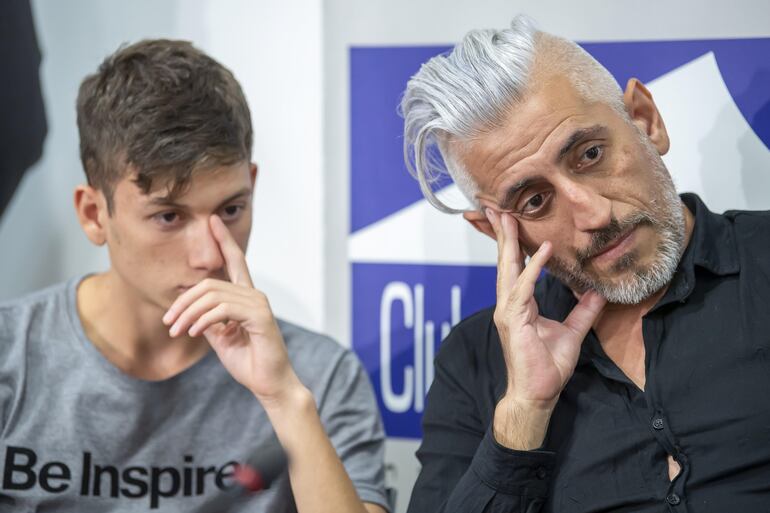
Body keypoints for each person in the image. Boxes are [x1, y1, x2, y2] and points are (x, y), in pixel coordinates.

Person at [0, 39, 389, 513]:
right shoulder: (11, 358)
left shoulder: (317, 377)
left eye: (231, 209)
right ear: (93, 214)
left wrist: (284, 399)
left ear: (253, 184)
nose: (209, 255)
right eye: (168, 217)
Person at [400, 15, 770, 513]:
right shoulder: (474, 362)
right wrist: (524, 414)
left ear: (645, 119)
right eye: (534, 201)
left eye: (590, 153)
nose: (593, 214)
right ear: (496, 230)